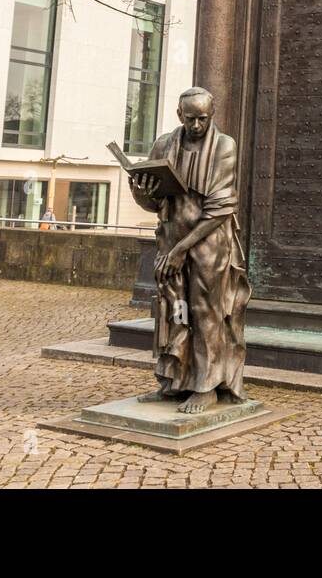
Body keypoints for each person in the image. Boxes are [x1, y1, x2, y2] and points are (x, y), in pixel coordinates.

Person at [129, 87, 250, 415]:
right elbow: (154, 203)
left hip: (208, 243)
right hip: (171, 238)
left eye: (203, 118)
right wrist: (139, 190)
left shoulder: (225, 147)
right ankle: (175, 380)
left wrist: (183, 248)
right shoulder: (164, 144)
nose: (197, 125)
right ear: (179, 115)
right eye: (190, 118)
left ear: (213, 114)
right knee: (175, 309)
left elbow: (220, 208)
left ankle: (206, 385)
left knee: (204, 311)